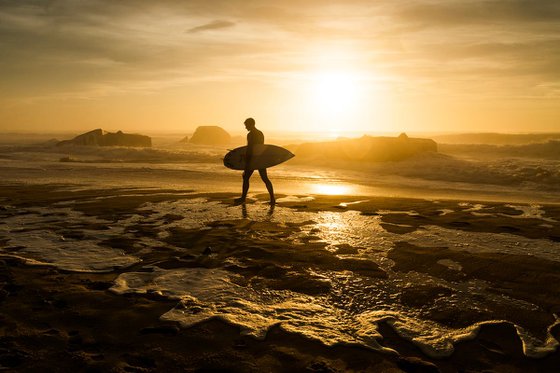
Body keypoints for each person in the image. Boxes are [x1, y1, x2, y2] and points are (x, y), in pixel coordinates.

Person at [235, 117, 275, 205]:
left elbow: (250, 148)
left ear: (250, 124)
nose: (245, 127)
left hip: (253, 160)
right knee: (265, 178)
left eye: (246, 125)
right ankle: (272, 199)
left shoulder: (250, 134)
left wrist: (247, 162)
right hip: (261, 159)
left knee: (245, 177)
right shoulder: (260, 133)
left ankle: (243, 198)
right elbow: (261, 147)